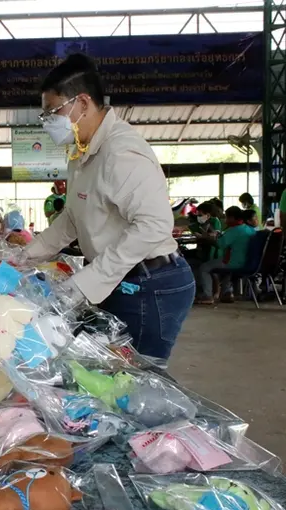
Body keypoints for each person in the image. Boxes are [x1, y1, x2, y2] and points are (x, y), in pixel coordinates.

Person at [21, 53, 194, 360]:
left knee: (138, 381)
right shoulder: (81, 153)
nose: (48, 122)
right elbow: (71, 220)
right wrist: (23, 258)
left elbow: (153, 225)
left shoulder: (120, 152)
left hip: (148, 285)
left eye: (53, 112)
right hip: (120, 280)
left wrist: (86, 283)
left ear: (83, 103)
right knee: (109, 373)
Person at [195, 206, 256, 305]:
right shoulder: (249, 229)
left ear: (232, 218)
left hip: (234, 262)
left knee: (204, 267)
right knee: (224, 269)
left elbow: (220, 244)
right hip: (248, 261)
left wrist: (206, 237)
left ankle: (207, 296)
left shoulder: (233, 230)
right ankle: (226, 292)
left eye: (227, 218)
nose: (225, 220)